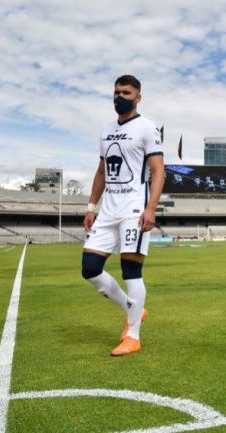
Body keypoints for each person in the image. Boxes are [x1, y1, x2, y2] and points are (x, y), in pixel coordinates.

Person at [81, 75, 164, 356]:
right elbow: (102, 172)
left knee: (131, 270)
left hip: (133, 209)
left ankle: (133, 335)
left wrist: (151, 208)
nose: (120, 96)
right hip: (107, 210)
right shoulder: (105, 130)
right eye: (116, 92)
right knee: (90, 268)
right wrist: (91, 207)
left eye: (126, 92)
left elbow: (158, 171)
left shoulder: (147, 128)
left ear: (138, 97)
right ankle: (133, 308)